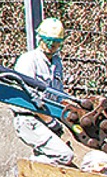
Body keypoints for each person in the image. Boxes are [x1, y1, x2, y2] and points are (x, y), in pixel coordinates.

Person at [12, 18, 75, 166]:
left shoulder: (56, 62)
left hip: (47, 119)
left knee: (52, 153)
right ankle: (26, 169)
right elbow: (27, 98)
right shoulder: (28, 61)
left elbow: (58, 95)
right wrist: (49, 121)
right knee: (65, 155)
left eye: (56, 42)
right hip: (29, 120)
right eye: (48, 41)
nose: (51, 46)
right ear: (39, 38)